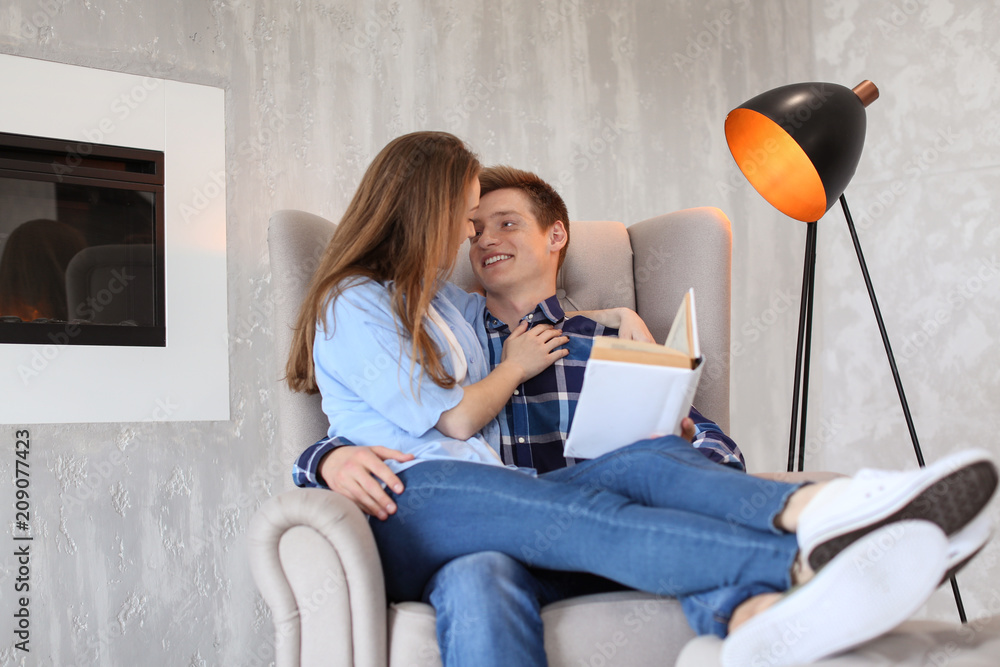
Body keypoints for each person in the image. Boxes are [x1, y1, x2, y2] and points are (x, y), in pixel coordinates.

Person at [285, 131, 997, 666]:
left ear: (555, 237)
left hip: (531, 506)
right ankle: (815, 561)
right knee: (528, 549)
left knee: (655, 462)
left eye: (502, 223)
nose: (478, 238)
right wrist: (322, 457)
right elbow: (417, 411)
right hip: (453, 505)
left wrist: (641, 357)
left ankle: (810, 543)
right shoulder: (417, 316)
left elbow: (709, 450)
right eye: (472, 222)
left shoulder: (492, 317)